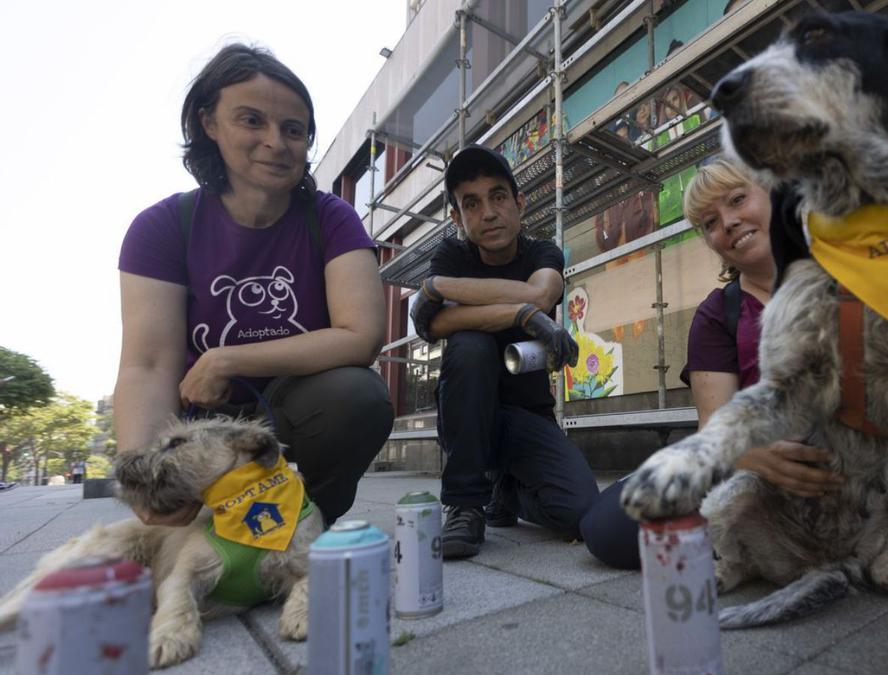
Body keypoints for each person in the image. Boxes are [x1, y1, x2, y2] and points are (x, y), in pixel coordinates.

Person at [579, 158, 888, 584]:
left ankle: (820, 554)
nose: (726, 223)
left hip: (882, 473)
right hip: (768, 480)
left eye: (736, 200)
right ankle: (815, 549)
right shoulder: (718, 313)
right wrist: (756, 456)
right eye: (709, 222)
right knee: (608, 525)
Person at [115, 44, 394, 528]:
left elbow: (361, 336)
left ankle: (308, 525)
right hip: (202, 422)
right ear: (209, 124)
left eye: (293, 129)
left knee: (359, 397)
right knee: (173, 526)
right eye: (251, 121)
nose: (276, 142)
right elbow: (147, 366)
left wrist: (227, 358)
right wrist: (148, 479)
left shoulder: (333, 219)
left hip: (297, 409)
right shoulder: (161, 228)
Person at [410, 145, 600, 559]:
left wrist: (438, 289)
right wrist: (520, 313)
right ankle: (464, 504)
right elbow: (436, 325)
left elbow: (542, 291)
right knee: (472, 346)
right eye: (471, 204)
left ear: (519, 202)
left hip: (528, 418)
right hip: (465, 417)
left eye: (498, 197)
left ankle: (507, 492)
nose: (489, 213)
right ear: (457, 219)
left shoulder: (540, 252)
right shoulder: (453, 254)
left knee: (582, 511)